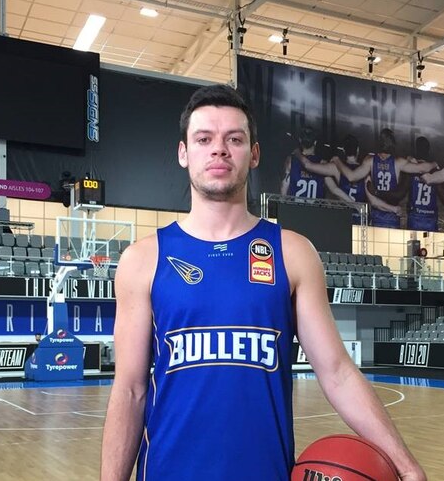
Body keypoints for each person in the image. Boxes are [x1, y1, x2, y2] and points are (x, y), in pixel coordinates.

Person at [100, 85, 425, 481]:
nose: (219, 149)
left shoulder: (292, 252)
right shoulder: (143, 259)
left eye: (233, 139)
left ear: (253, 154)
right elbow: (130, 390)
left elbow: (337, 372)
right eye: (204, 139)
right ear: (184, 153)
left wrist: (407, 468)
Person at [280, 126, 326, 198]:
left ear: (300, 140)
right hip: (316, 208)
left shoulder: (291, 160)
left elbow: (283, 188)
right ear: (315, 142)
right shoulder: (323, 163)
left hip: (296, 207)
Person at [406, 137, 439, 232]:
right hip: (430, 215)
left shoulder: (411, 168)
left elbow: (403, 190)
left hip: (415, 214)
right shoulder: (434, 169)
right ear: (428, 150)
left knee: (413, 246)